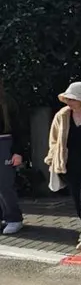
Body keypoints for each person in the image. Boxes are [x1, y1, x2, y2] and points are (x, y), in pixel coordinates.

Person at [45, 82, 81, 251]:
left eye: (72, 98)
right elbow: (54, 139)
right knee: (77, 199)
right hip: (68, 164)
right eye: (67, 98)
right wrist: (52, 158)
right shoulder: (62, 115)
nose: (69, 101)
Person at [0, 80, 24, 235]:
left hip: (4, 142)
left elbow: (19, 128)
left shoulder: (7, 101)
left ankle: (14, 218)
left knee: (5, 184)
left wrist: (18, 151)